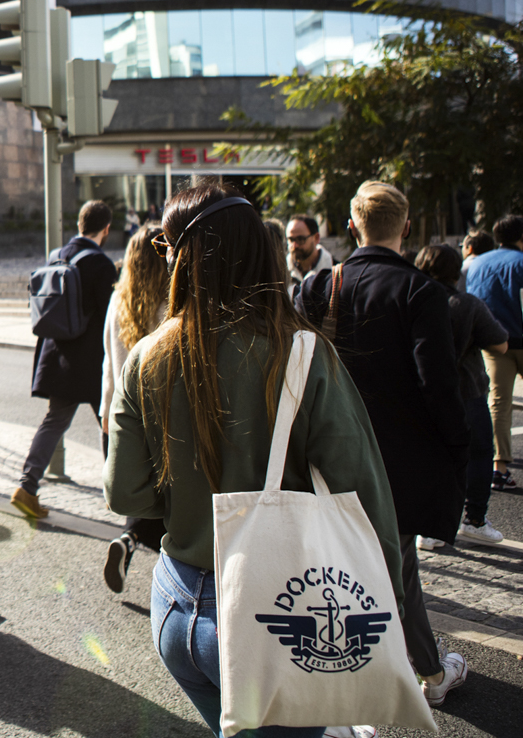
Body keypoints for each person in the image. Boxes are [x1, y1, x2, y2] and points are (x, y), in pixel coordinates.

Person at [104, 185, 408, 734]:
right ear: (262, 252)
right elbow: (363, 493)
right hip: (278, 611)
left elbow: (123, 494)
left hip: (176, 607)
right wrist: (392, 601)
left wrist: (182, 498)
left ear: (182, 258)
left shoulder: (146, 357)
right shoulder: (303, 353)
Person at [297, 181, 470, 705]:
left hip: (328, 451)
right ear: (408, 227)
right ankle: (429, 674)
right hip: (399, 457)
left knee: (333, 563)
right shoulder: (423, 292)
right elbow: (436, 382)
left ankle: (337, 672)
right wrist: (457, 446)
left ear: (351, 227)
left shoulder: (319, 286)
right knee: (398, 565)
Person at [11, 199, 117, 519]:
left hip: (56, 355)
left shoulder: (56, 256)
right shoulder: (101, 264)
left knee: (54, 421)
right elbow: (110, 316)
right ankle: (118, 492)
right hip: (93, 362)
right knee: (111, 424)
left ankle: (26, 487)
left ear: (81, 224)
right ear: (106, 229)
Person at [414, 243, 509, 548]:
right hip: (466, 389)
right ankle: (475, 519)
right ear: (456, 272)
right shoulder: (467, 304)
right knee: (479, 453)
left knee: (431, 457)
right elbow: (500, 343)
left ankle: (430, 528)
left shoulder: (411, 300)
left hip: (421, 390)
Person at [98, 225, 168, 593]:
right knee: (167, 498)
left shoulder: (118, 300)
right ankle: (171, 578)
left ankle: (127, 540)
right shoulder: (170, 302)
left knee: (135, 489)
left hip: (118, 412)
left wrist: (106, 412)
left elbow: (110, 362)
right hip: (160, 415)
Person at [465, 214, 523, 490]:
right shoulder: (521, 263)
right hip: (520, 336)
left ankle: (499, 467)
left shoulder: (478, 263)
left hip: (492, 342)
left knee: (499, 402)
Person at [286, 214, 333, 293]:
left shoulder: (334, 273)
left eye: (300, 239)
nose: (294, 246)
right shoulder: (281, 273)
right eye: (291, 240)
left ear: (316, 238)